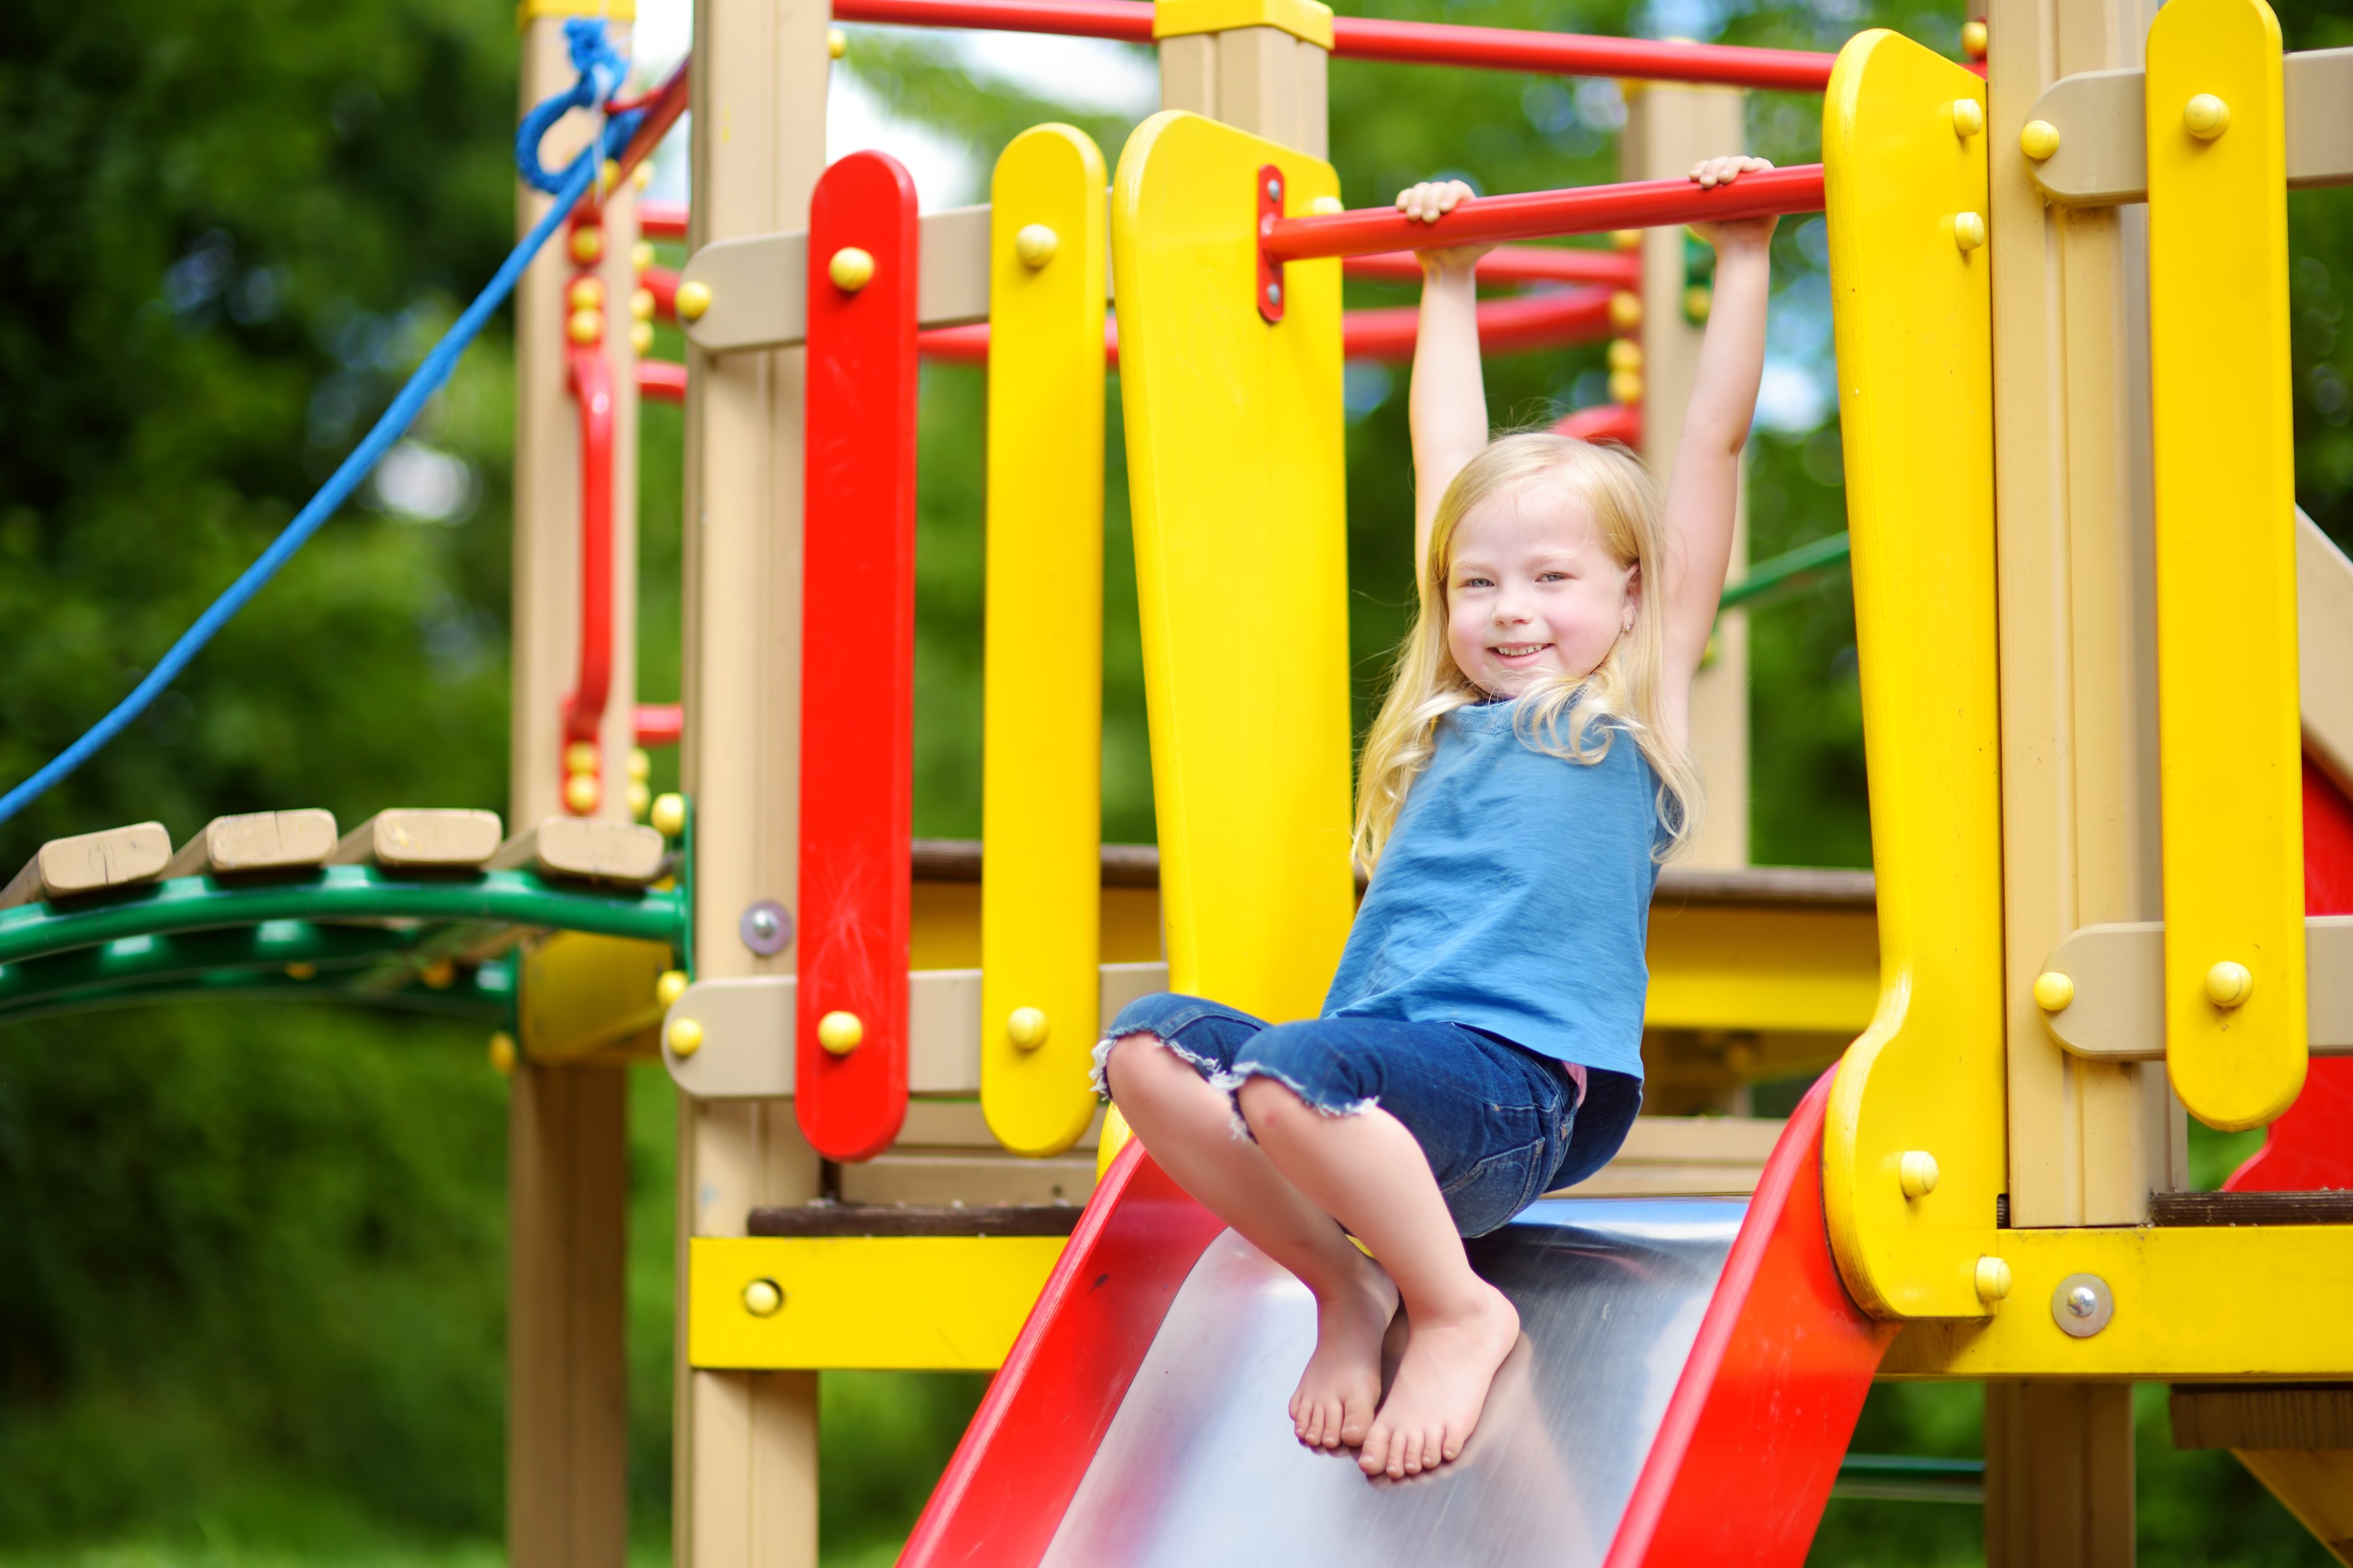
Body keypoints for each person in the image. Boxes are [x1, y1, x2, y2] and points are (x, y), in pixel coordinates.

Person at [1092, 155, 1778, 1482]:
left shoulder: (1630, 708)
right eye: (1480, 583)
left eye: (1553, 578)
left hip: (1513, 1092)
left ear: (1634, 598)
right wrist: (1445, 276)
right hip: (1373, 1088)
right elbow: (1444, 464)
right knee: (1146, 1050)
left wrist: (1741, 255)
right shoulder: (1443, 716)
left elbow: (1710, 449)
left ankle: (1461, 1307)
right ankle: (1350, 1293)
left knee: (1298, 1068)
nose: (1512, 608)